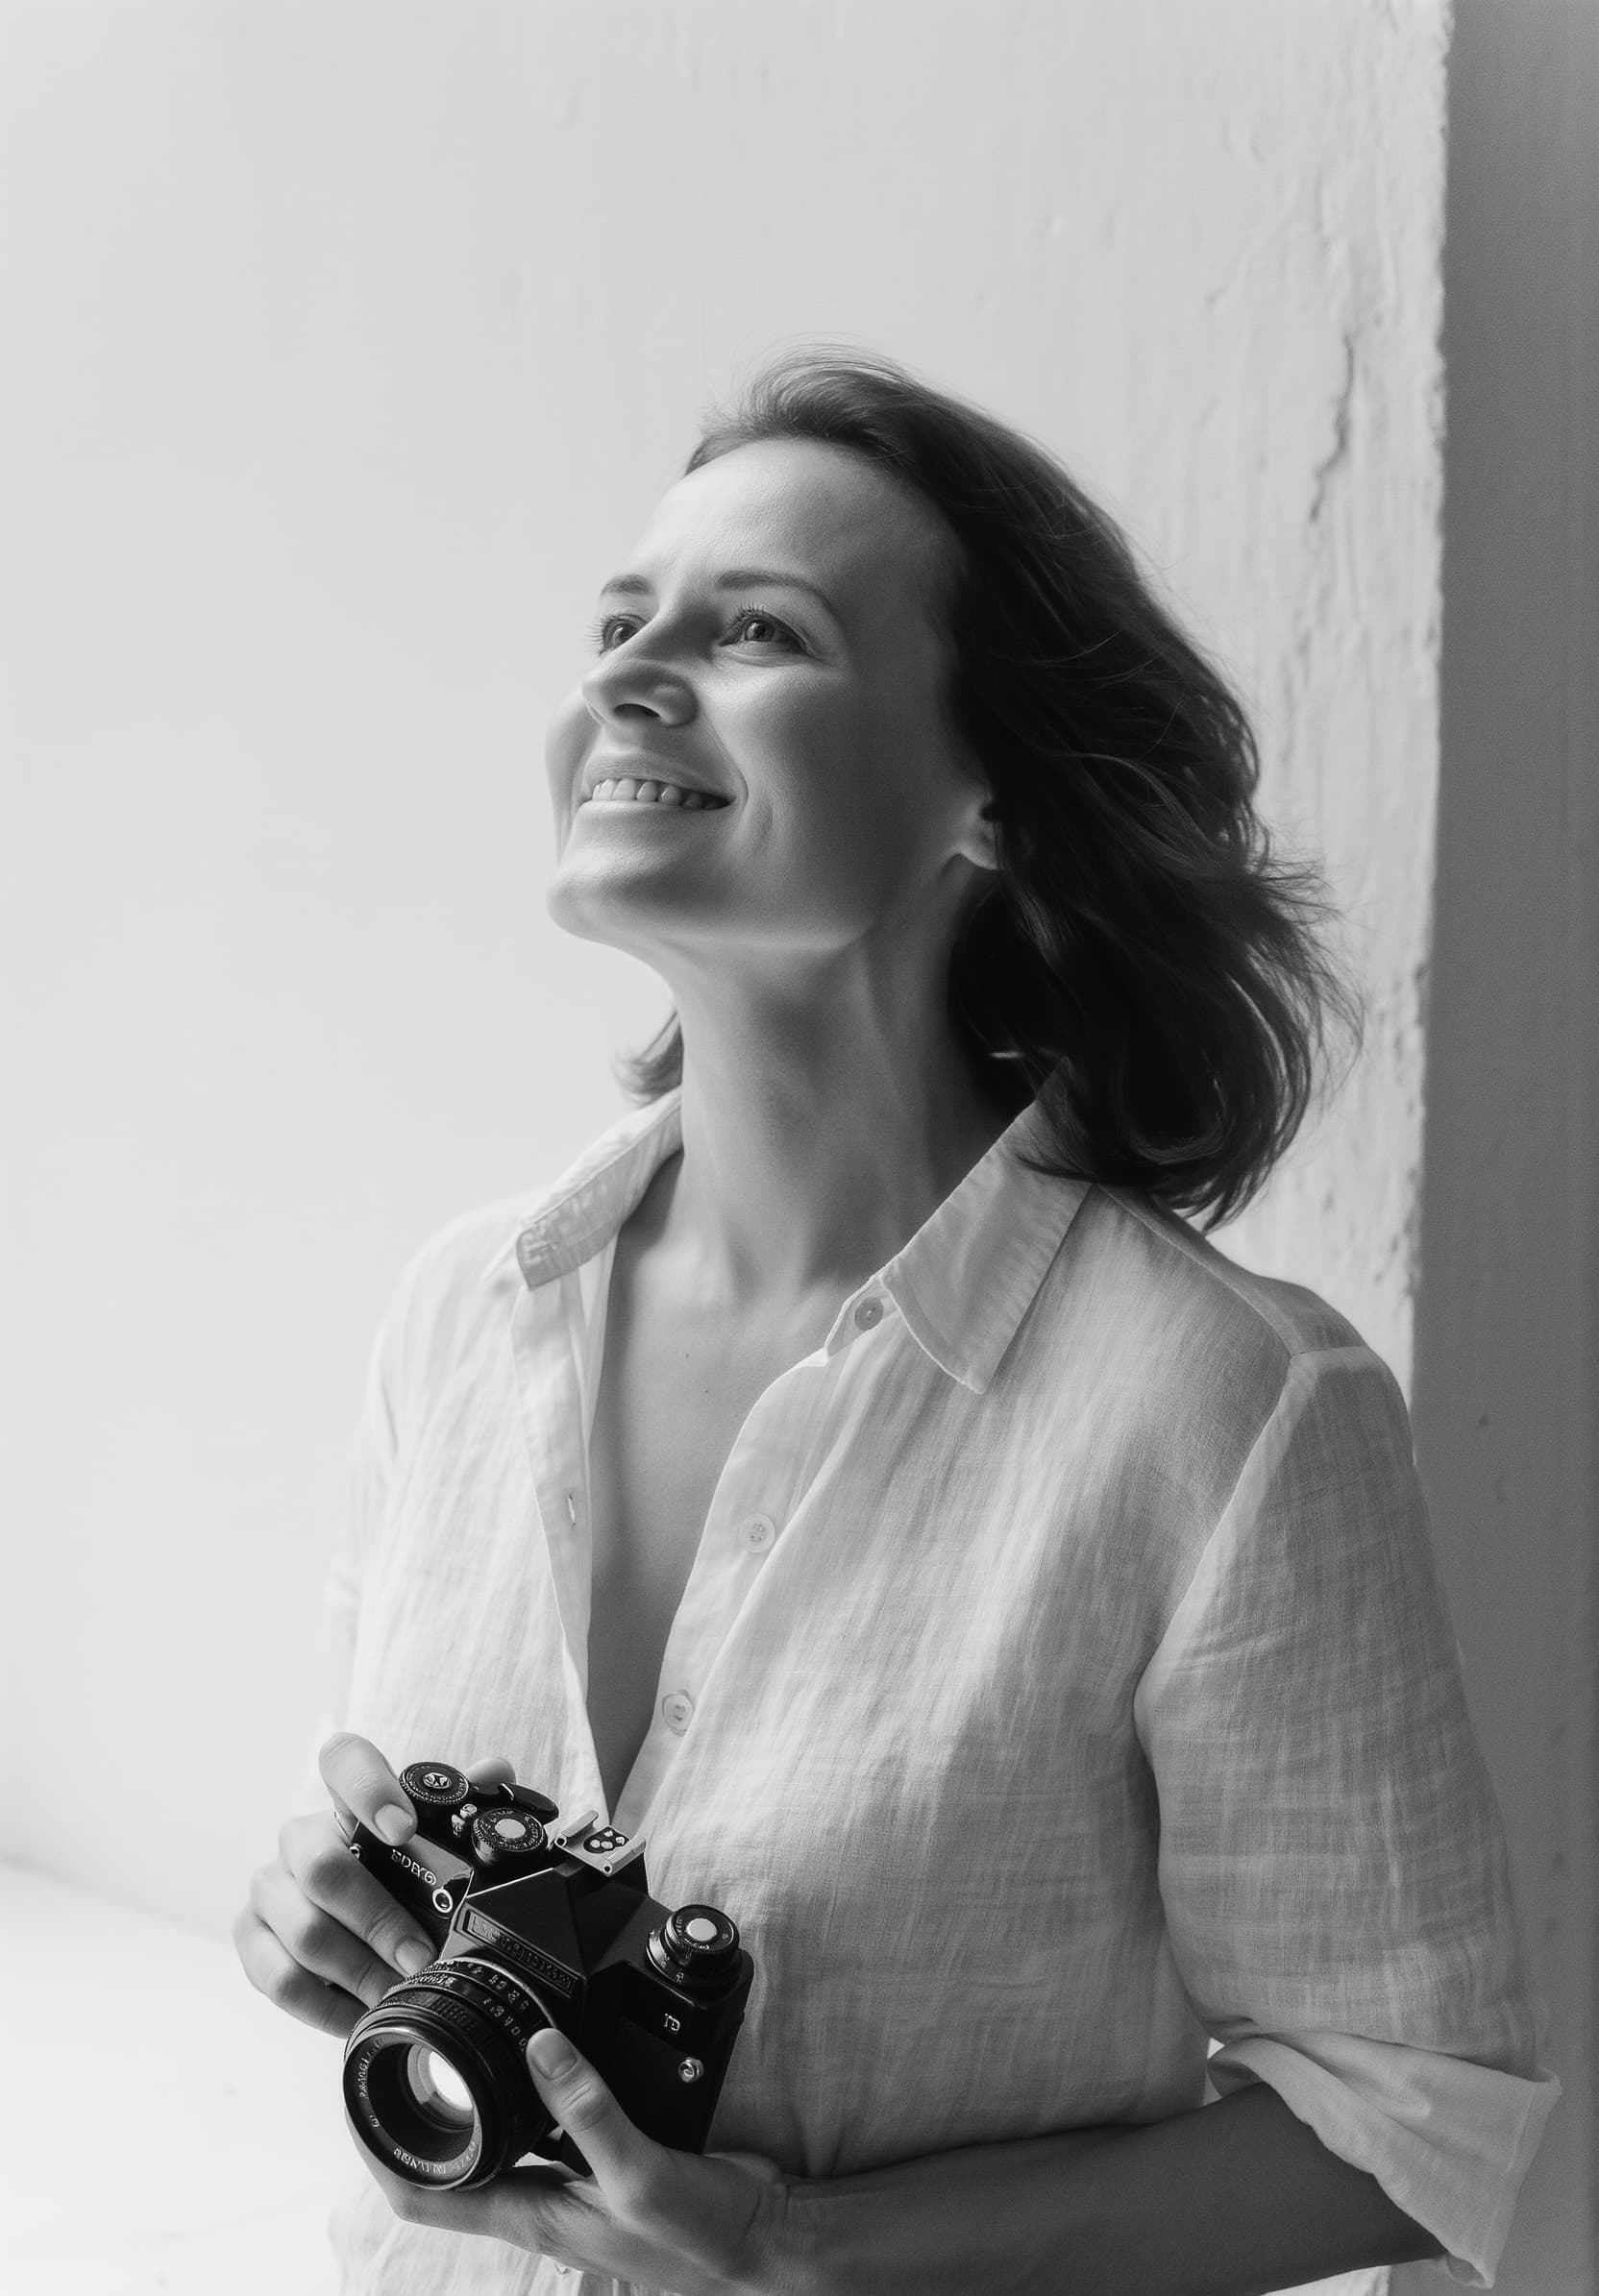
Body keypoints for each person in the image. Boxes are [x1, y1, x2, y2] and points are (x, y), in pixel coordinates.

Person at [234, 350, 1558, 2296]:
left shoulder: (1225, 1408)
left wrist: (808, 2249)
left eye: (754, 626)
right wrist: (317, 1919)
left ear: (992, 802)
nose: (624, 672)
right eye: (618, 622)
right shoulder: (461, 1318)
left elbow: (1405, 2120)